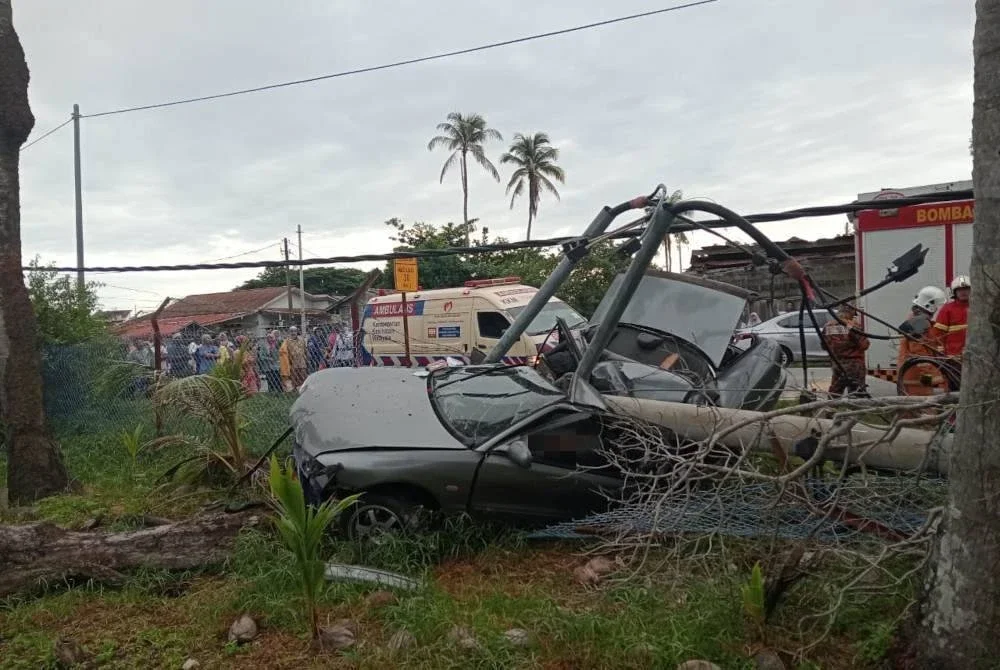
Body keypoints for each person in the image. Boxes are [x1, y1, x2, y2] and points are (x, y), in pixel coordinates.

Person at [823, 304, 870, 396]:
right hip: (854, 366)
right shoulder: (852, 326)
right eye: (853, 314)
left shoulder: (828, 326)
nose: (854, 317)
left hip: (837, 365)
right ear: (850, 312)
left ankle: (829, 409)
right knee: (857, 394)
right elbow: (864, 345)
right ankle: (855, 410)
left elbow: (824, 346)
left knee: (835, 393)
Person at [930, 275, 971, 360]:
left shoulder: (980, 308)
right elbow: (938, 334)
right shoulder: (947, 309)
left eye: (966, 289)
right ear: (954, 292)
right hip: (953, 359)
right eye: (959, 290)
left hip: (976, 359)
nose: (963, 292)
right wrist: (940, 355)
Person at [280, 326, 308, 390]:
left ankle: (303, 390)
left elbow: (305, 350)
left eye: (294, 331)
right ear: (289, 332)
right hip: (292, 363)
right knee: (294, 378)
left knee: (303, 377)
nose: (293, 333)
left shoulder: (302, 340)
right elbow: (283, 352)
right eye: (291, 331)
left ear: (297, 332)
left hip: (302, 362)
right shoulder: (287, 341)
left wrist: (307, 359)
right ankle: (295, 391)